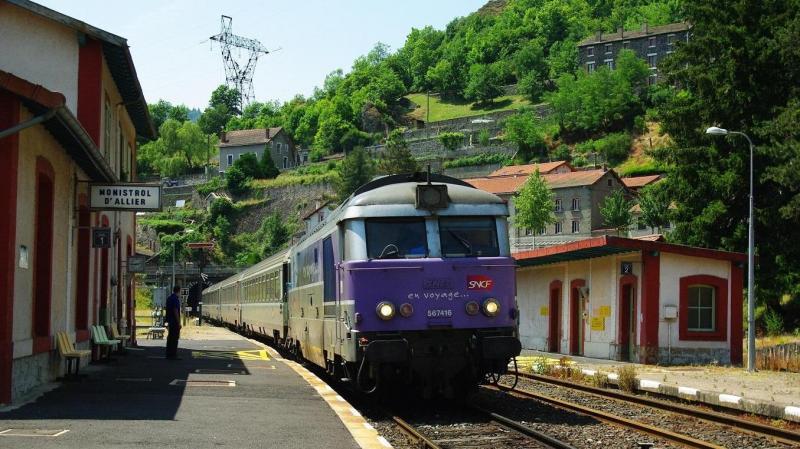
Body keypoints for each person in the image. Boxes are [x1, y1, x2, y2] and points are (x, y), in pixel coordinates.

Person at [165, 285, 182, 359]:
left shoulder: (169, 298)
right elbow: (175, 311)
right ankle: (173, 354)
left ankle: (169, 353)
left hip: (170, 321)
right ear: (179, 291)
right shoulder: (175, 299)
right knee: (174, 339)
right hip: (174, 322)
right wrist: (178, 323)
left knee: (170, 338)